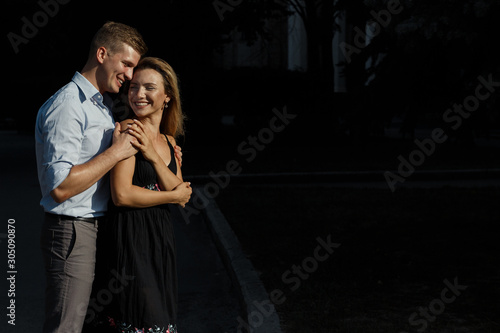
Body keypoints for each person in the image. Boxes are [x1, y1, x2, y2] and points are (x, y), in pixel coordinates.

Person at [35, 22, 151, 333]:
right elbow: (59, 187)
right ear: (102, 54)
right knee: (66, 327)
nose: (129, 75)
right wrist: (115, 153)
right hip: (72, 231)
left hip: (94, 228)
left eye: (133, 67)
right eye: (126, 64)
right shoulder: (69, 105)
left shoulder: (99, 105)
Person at [93, 57, 191, 333]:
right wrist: (169, 197)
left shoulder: (170, 142)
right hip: (130, 237)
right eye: (134, 87)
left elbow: (182, 193)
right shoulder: (127, 130)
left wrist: (152, 155)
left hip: (159, 241)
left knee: (160, 320)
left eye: (149, 88)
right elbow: (122, 195)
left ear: (167, 97)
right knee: (141, 318)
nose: (138, 95)